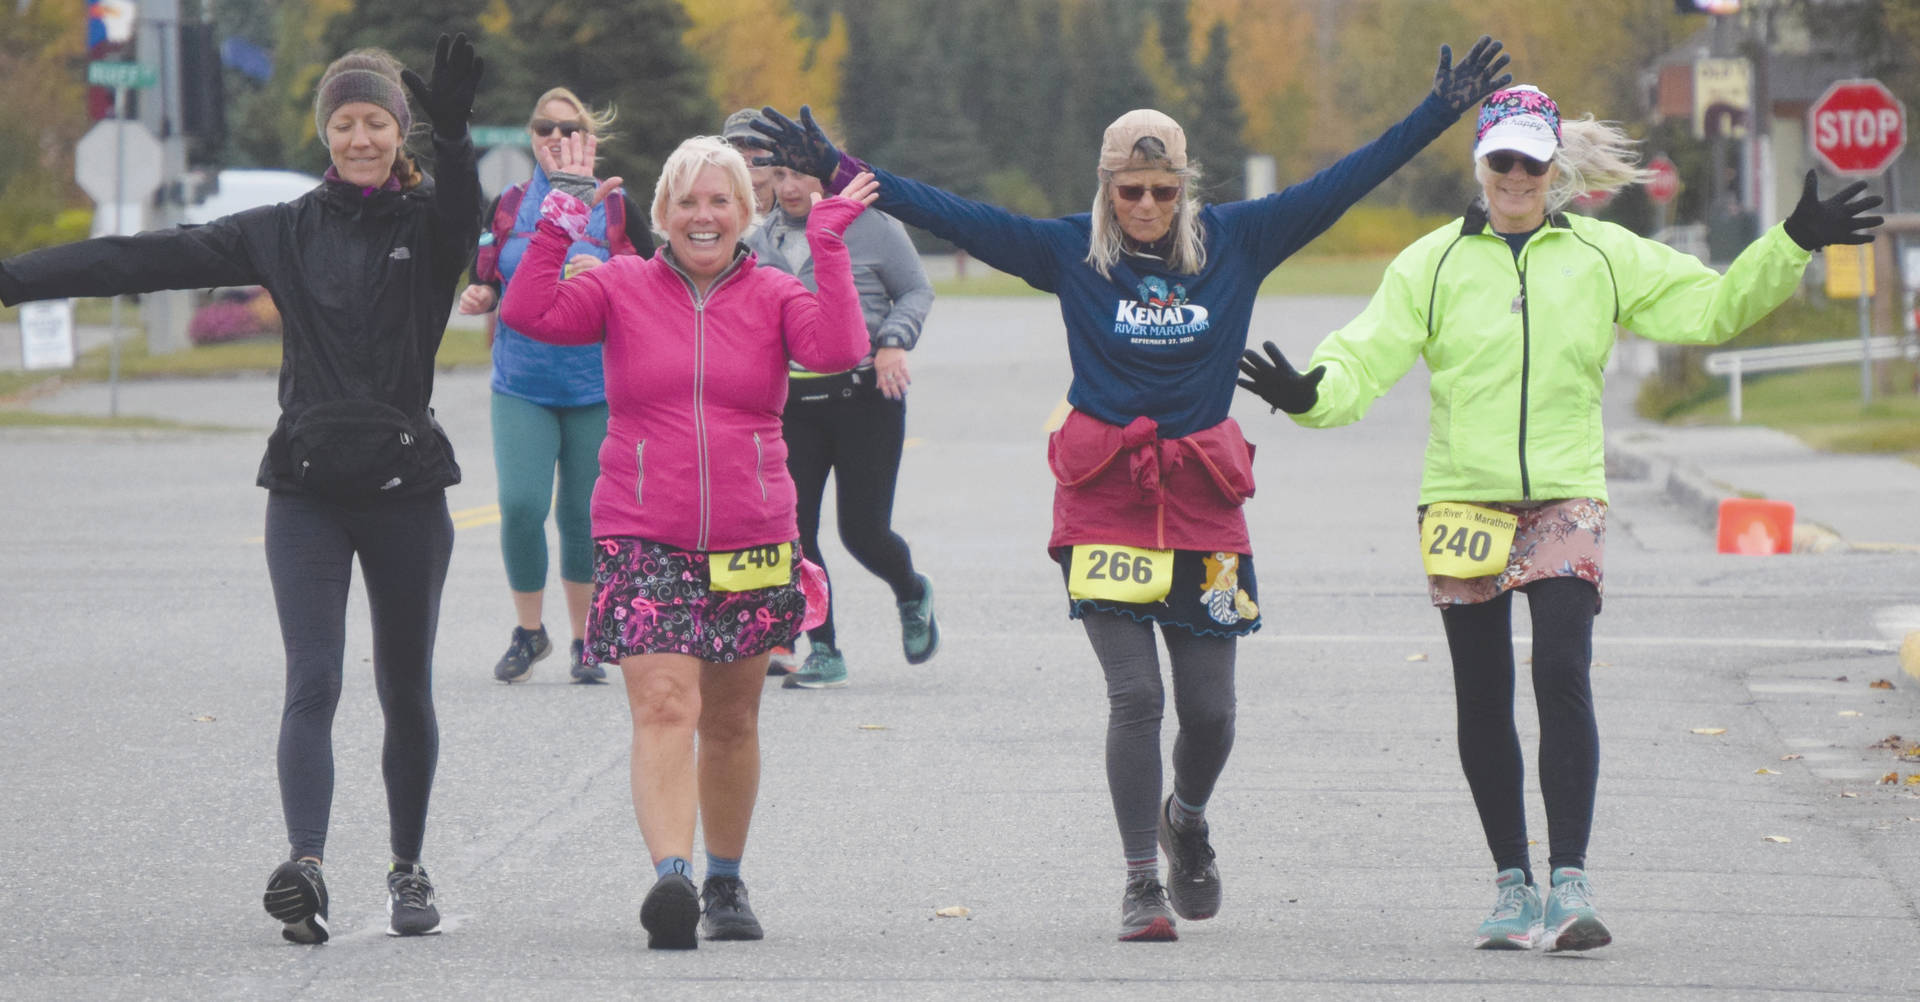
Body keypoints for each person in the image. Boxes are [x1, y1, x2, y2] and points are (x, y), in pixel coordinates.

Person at [751, 37, 1514, 942]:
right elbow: (954, 213)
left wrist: (1437, 114)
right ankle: (1140, 883)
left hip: (1204, 500)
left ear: (1184, 188)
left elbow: (1347, 180)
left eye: (1162, 190)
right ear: (1106, 188)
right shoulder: (1070, 252)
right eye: (1130, 190)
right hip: (1104, 496)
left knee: (1211, 713)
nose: (1147, 206)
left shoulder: (1239, 241)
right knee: (1136, 698)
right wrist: (839, 169)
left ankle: (1186, 817)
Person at [1236, 85, 1883, 952]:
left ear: (1553, 169)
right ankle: (1513, 883)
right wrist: (1310, 395)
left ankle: (1570, 883)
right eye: (1501, 160)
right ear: (1480, 164)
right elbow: (1364, 357)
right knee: (1483, 692)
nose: (1516, 176)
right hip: (1462, 501)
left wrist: (1791, 242)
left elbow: (1711, 307)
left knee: (1563, 671)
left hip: (1566, 494)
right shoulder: (1430, 265)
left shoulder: (1602, 255)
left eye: (1531, 163)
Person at [0, 35, 487, 944]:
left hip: (406, 490)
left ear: (397, 132)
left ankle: (407, 868)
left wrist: (453, 136)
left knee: (405, 687)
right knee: (313, 681)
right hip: (305, 492)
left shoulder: (426, 226)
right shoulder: (283, 229)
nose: (360, 137)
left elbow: (465, 212)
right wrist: (5, 281)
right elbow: (141, 258)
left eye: (377, 122)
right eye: (344, 122)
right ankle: (305, 866)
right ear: (325, 133)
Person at [498, 131, 879, 948]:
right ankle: (671, 877)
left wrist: (829, 244)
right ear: (663, 211)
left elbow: (841, 350)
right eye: (687, 201)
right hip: (643, 532)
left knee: (733, 719)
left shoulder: (776, 291)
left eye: (720, 201)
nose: (703, 216)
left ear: (745, 212)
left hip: (752, 535)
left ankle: (725, 880)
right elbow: (529, 313)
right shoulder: (620, 284)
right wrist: (560, 216)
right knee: (667, 704)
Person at [459, 85, 654, 685]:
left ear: (586, 139)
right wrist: (481, 293)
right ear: (531, 135)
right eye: (544, 127)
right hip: (522, 382)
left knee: (582, 516)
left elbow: (655, 278)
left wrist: (612, 270)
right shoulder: (509, 204)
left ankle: (584, 640)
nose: (555, 138)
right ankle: (529, 632)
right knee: (521, 506)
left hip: (596, 387)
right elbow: (486, 273)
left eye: (569, 129)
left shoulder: (613, 207)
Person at [745, 166, 939, 689]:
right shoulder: (758, 240)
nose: (789, 188)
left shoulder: (873, 227)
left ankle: (911, 590)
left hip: (866, 398)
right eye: (779, 174)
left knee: (863, 533)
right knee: (793, 534)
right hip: (791, 406)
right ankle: (824, 649)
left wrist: (894, 340)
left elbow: (916, 291)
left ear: (827, 176)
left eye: (801, 175)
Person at [724, 108, 780, 216]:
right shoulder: (717, 211)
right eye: (738, 147)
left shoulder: (794, 206)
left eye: (755, 145)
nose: (746, 154)